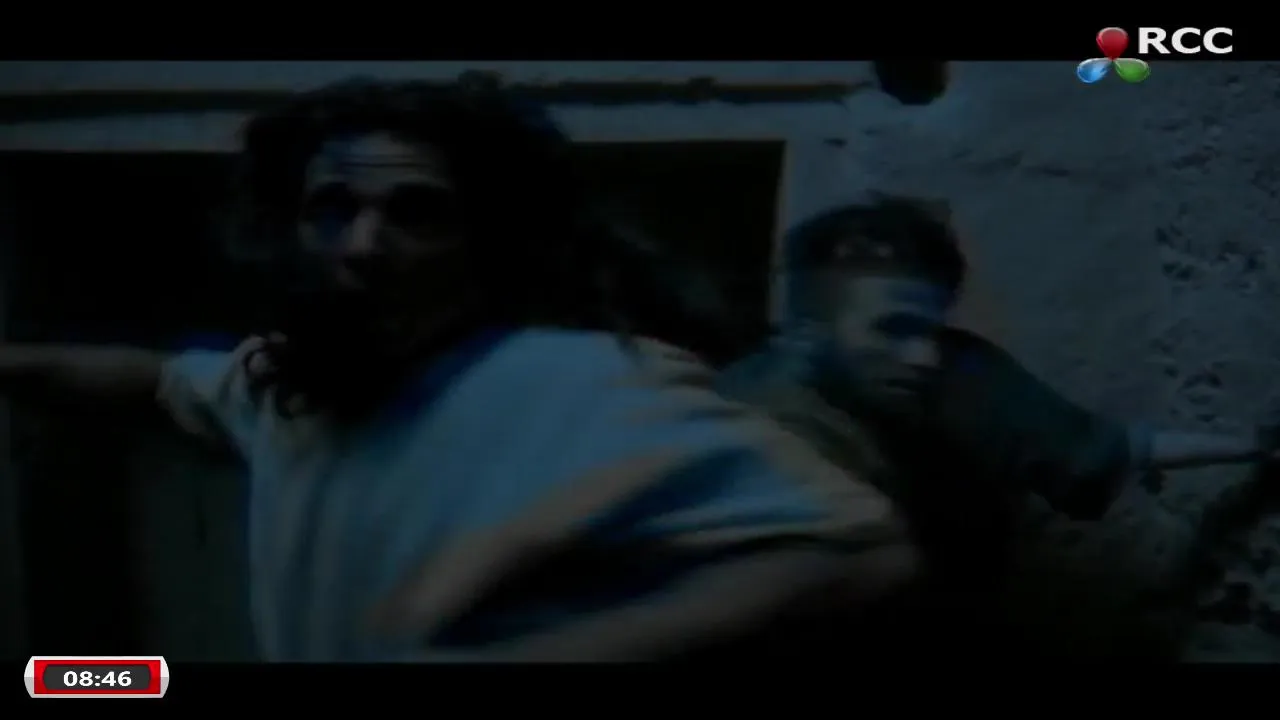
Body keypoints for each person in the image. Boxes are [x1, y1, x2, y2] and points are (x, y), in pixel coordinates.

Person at [0, 79, 920, 662]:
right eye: (333, 208)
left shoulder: (583, 384)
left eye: (415, 212)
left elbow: (862, 555)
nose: (363, 244)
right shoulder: (289, 382)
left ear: (487, 239)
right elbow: (155, 380)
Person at [717, 194, 1279, 648]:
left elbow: (1106, 447)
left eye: (931, 329)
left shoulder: (960, 372)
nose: (923, 356)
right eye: (892, 329)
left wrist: (1251, 447)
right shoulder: (743, 421)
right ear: (808, 332)